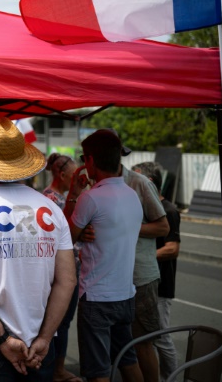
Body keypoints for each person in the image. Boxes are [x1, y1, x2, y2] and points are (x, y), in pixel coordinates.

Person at [0, 118, 76, 381]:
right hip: (40, 343)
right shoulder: (52, 209)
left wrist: (2, 340)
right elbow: (67, 281)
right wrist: (44, 338)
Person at [65, 129, 144, 382]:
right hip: (125, 294)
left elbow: (66, 238)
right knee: (128, 361)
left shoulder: (90, 198)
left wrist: (74, 193)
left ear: (89, 161)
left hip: (97, 297)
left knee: (98, 372)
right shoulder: (132, 195)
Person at [108, 131, 168, 382]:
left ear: (120, 154)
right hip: (110, 279)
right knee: (119, 345)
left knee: (143, 343)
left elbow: (163, 227)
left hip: (139, 278)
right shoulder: (92, 183)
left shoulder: (140, 183)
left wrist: (128, 227)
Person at [133, 161, 181, 381]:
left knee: (160, 337)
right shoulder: (144, 210)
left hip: (161, 285)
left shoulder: (168, 210)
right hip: (144, 283)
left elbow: (172, 249)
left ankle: (170, 377)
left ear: (148, 182)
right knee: (144, 338)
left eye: (136, 179)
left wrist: (143, 258)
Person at [44, 153, 85, 382]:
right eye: (75, 174)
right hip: (61, 269)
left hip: (72, 266)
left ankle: (55, 367)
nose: (80, 179)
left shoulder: (63, 197)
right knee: (59, 321)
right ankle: (56, 369)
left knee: (63, 321)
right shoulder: (51, 200)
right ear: (62, 175)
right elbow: (64, 233)